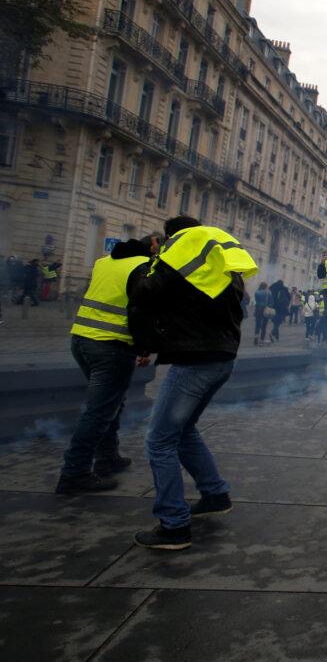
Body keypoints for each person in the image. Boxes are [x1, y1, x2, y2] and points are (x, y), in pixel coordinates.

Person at [127, 215, 258, 550]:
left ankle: (174, 525)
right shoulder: (218, 264)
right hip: (222, 357)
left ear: (171, 237)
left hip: (194, 360)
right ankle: (215, 494)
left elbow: (143, 293)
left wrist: (151, 260)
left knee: (158, 441)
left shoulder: (178, 254)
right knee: (184, 430)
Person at [54, 233, 160, 494]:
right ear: (152, 247)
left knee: (112, 402)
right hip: (111, 345)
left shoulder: (104, 261)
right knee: (99, 411)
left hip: (81, 339)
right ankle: (75, 472)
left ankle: (108, 457)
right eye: (161, 246)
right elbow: (140, 310)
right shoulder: (143, 268)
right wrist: (144, 347)